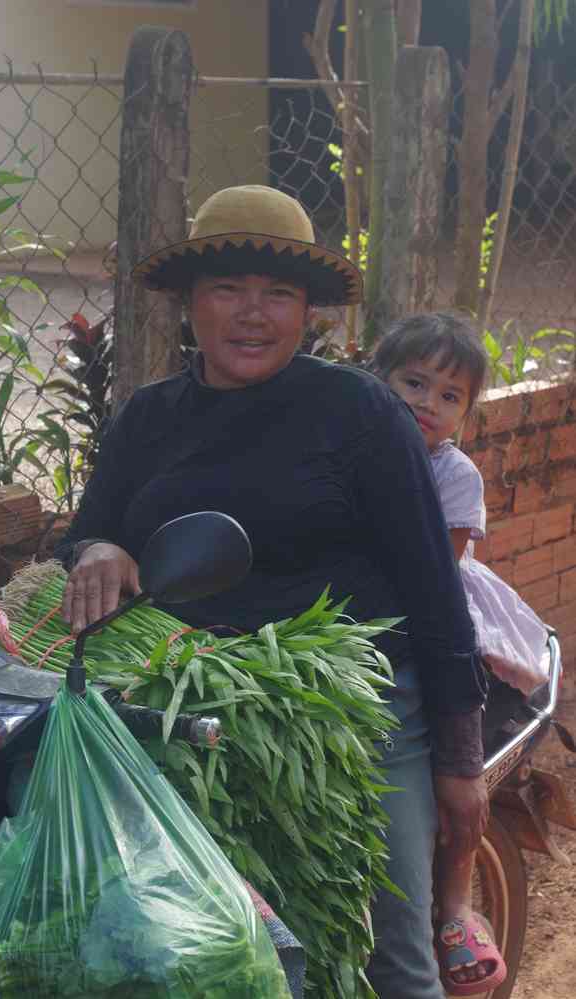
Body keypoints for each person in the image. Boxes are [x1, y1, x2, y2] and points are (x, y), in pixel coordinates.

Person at [56, 184, 488, 999]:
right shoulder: (148, 418)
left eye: (278, 294)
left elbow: (434, 589)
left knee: (392, 954)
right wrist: (102, 545)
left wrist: (459, 761)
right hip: (181, 708)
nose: (253, 314)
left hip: (355, 713)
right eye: (228, 289)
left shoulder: (359, 411)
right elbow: (85, 531)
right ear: (190, 305)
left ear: (309, 314)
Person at [373, 312, 548, 996]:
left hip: (444, 621)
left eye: (449, 395)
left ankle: (450, 905)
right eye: (414, 382)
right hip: (365, 619)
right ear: (376, 379)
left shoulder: (453, 473)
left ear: (466, 414)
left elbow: (433, 578)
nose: (427, 402)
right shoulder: (357, 444)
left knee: (455, 765)